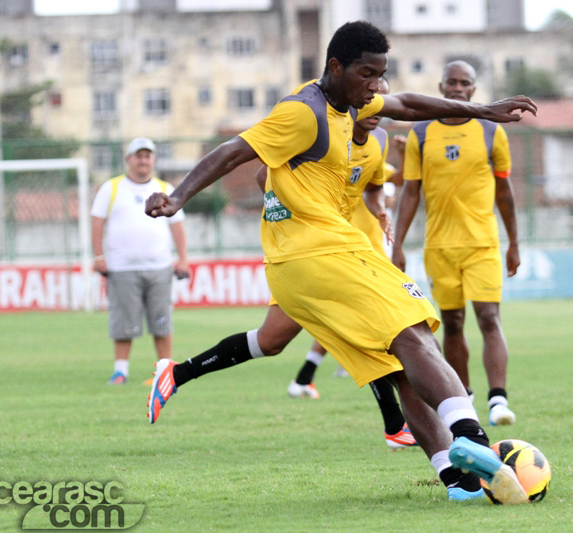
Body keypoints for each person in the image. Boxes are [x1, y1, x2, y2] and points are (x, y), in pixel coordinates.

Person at [145, 21, 537, 503]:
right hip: (320, 252)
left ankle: (459, 484)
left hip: (302, 266)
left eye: (381, 75)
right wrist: (176, 196)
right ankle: (475, 443)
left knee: (395, 365)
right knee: (414, 332)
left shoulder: (352, 109)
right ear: (336, 67)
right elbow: (233, 152)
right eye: (368, 75)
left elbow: (409, 104)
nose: (376, 87)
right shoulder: (303, 113)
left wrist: (480, 109)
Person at [286, 78, 417, 450]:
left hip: (369, 248)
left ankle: (303, 379)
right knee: (364, 331)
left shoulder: (378, 143)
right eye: (369, 94)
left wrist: (380, 206)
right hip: (332, 250)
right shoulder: (324, 141)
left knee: (288, 336)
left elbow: (385, 182)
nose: (376, 102)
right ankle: (402, 424)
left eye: (381, 96)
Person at [392, 60, 520, 427]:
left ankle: (499, 401)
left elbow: (504, 191)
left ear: (474, 91)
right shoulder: (420, 133)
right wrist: (397, 244)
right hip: (439, 246)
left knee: (489, 317)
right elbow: (411, 192)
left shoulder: (491, 132)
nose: (458, 88)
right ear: (441, 86)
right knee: (451, 322)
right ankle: (465, 400)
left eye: (465, 83)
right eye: (452, 82)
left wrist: (514, 243)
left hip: (482, 243)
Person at [91, 137, 189, 385]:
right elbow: (97, 222)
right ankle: (120, 371)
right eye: (138, 155)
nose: (143, 160)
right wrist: (98, 256)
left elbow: (177, 226)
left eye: (148, 156)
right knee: (123, 321)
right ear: (128, 159)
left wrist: (183, 259)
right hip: (122, 268)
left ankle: (165, 372)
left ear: (154, 160)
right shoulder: (111, 188)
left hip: (159, 267)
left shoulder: (165, 189)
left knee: (161, 320)